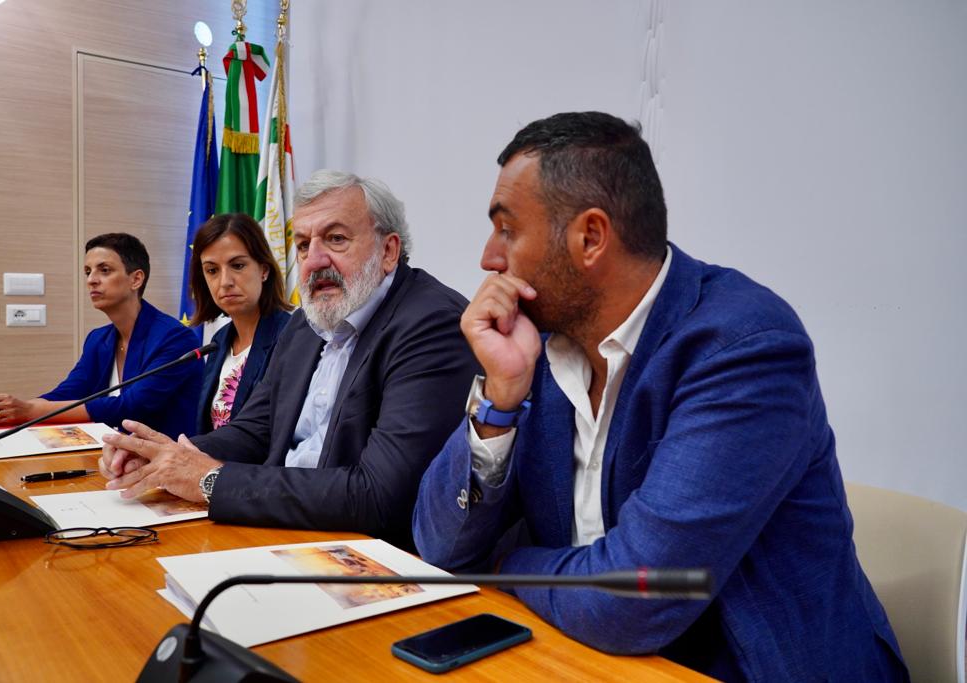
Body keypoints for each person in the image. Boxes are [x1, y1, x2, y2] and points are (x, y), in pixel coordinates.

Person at [412, 112, 908, 681]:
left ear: (590, 237)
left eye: (507, 229)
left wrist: (506, 565)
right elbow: (440, 547)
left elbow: (633, 600)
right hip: (586, 659)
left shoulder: (743, 348)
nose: (488, 258)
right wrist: (499, 399)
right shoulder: (539, 345)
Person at [99, 171, 479, 549]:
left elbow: (379, 495)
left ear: (389, 251)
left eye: (336, 239)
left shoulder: (431, 325)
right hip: (283, 527)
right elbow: (256, 429)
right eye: (303, 245)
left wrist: (211, 480)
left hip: (364, 551)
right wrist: (165, 459)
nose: (314, 261)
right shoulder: (307, 322)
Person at [0, 233, 203, 437]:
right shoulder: (98, 339)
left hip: (166, 460)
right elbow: (69, 392)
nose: (91, 280)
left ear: (136, 279)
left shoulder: (176, 339)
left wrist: (28, 411)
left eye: (104, 270)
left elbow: (131, 406)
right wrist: (5, 410)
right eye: (88, 271)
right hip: (110, 455)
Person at [189, 213, 292, 434]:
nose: (225, 282)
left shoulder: (290, 336)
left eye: (237, 265)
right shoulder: (219, 341)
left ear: (264, 270)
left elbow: (271, 430)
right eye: (212, 270)